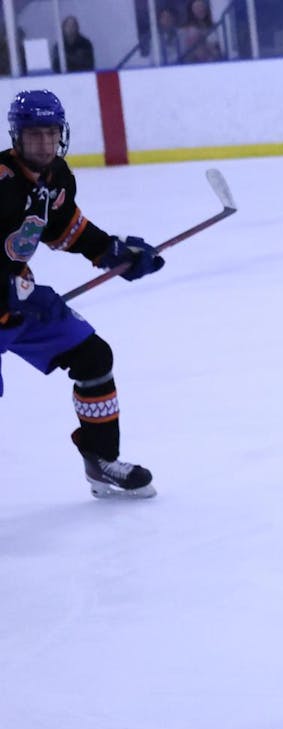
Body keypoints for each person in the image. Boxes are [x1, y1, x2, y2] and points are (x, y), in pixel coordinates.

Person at [0, 91, 165, 498]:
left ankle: (101, 460)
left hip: (16, 302)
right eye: (34, 135)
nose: (44, 144)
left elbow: (65, 228)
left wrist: (112, 252)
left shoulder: (56, 178)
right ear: (17, 137)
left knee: (93, 356)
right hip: (10, 296)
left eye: (51, 133)